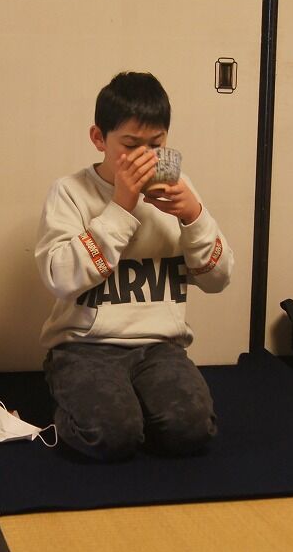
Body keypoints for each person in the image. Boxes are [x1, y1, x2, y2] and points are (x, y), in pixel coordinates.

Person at [35, 71, 234, 461]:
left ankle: (138, 407)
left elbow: (218, 279)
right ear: (99, 138)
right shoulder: (70, 192)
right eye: (130, 145)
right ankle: (75, 399)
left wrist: (194, 216)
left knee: (192, 429)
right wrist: (121, 207)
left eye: (155, 145)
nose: (144, 157)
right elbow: (59, 278)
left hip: (160, 346)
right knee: (111, 435)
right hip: (85, 347)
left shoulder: (180, 190)